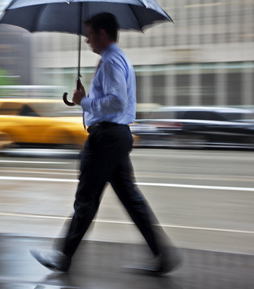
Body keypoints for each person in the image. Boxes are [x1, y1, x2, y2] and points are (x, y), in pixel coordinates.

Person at [30, 12, 182, 275]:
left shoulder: (111, 61)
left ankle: (63, 256)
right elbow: (112, 101)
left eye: (89, 34)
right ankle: (162, 255)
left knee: (86, 197)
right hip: (117, 135)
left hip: (106, 138)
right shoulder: (117, 58)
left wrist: (84, 102)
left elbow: (116, 102)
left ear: (102, 33)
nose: (87, 40)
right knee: (131, 199)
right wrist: (85, 98)